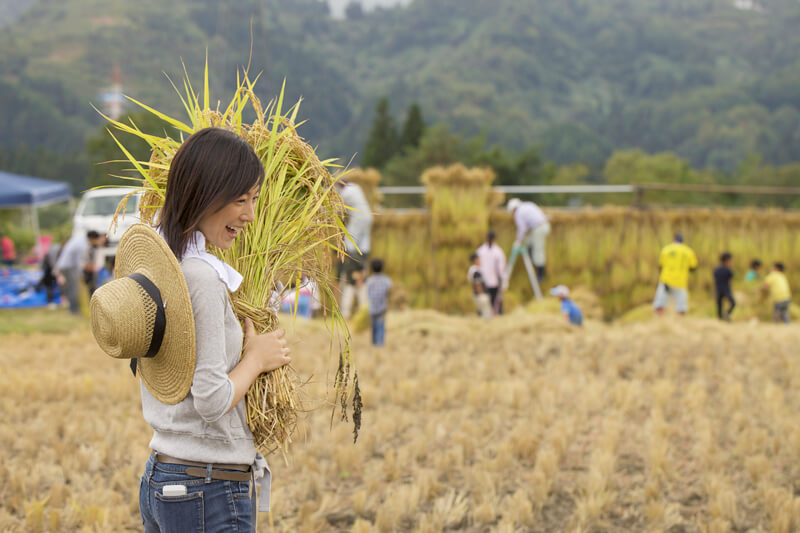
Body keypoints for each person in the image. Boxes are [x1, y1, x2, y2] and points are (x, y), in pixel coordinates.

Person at [90, 128, 291, 532]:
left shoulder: (165, 268)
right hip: (208, 488)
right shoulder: (199, 277)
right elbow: (211, 399)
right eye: (240, 200)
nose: (250, 215)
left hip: (166, 479)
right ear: (206, 193)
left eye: (253, 199)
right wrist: (255, 359)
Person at [335, 177, 373, 319]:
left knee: (350, 239)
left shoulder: (347, 193)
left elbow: (337, 206)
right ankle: (364, 312)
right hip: (367, 220)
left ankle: (347, 313)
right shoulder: (356, 188)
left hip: (358, 222)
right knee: (363, 242)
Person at [55, 230, 105, 315]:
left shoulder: (80, 239)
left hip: (64, 265)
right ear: (92, 239)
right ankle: (74, 310)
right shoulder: (83, 245)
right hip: (69, 266)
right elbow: (79, 262)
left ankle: (73, 309)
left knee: (71, 288)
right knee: (74, 288)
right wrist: (81, 275)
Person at [653, 233, 698, 316]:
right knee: (681, 307)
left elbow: (660, 266)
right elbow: (693, 267)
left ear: (673, 240)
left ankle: (660, 320)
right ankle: (679, 322)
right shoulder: (688, 251)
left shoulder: (666, 249)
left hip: (666, 280)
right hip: (681, 282)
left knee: (660, 304)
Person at [507, 198, 550, 281]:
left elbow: (522, 228)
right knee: (529, 243)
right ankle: (531, 257)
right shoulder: (527, 205)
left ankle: (541, 274)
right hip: (543, 225)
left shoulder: (518, 213)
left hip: (539, 228)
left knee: (538, 250)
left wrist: (518, 241)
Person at [476, 230, 506, 315]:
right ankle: (496, 316)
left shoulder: (480, 251)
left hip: (483, 281)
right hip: (494, 282)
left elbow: (477, 266)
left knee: (484, 303)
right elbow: (501, 268)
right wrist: (503, 279)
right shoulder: (498, 252)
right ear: (494, 239)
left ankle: (484, 317)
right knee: (495, 302)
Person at [365, 258, 392, 347]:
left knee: (374, 326)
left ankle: (374, 343)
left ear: (372, 268)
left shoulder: (369, 281)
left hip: (372, 307)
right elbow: (390, 292)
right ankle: (380, 344)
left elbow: (367, 293)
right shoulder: (387, 280)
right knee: (381, 326)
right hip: (382, 306)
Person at [468, 252, 492, 319]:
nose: (480, 261)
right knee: (486, 315)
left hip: (477, 295)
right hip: (481, 295)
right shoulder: (476, 272)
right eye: (479, 259)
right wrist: (481, 295)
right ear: (475, 260)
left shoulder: (471, 270)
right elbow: (478, 284)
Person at [713, 252, 735, 321]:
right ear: (727, 260)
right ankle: (727, 314)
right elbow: (730, 281)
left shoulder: (716, 269)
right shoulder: (728, 270)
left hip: (718, 288)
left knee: (719, 304)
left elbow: (715, 279)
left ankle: (720, 317)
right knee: (733, 303)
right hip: (726, 289)